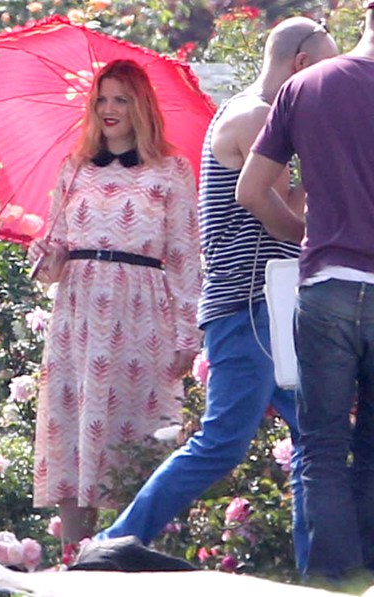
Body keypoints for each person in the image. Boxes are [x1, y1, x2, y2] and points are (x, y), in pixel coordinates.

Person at [95, 17, 338, 575]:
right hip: (248, 306)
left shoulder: (260, 114)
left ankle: (321, 573)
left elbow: (290, 205)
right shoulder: (255, 116)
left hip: (267, 305)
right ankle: (112, 543)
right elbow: (283, 216)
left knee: (314, 440)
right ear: (301, 65)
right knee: (223, 441)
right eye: (325, 72)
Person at [27, 60, 202, 547]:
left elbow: (185, 256)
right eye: (101, 99)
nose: (109, 109)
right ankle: (73, 559)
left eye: (120, 99)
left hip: (141, 313)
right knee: (72, 433)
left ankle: (135, 551)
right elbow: (56, 258)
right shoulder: (74, 167)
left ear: (140, 105)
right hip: (78, 313)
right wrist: (46, 257)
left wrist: (189, 335)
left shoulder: (172, 170)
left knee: (140, 436)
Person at [236, 2, 374, 586]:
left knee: (321, 445)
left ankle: (331, 582)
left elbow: (251, 189)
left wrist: (305, 234)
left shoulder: (307, 85)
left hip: (328, 285)